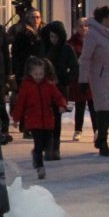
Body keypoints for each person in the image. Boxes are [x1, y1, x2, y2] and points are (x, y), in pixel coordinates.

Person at [11, 56, 69, 181]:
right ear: (31, 73)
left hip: (47, 120)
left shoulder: (49, 85)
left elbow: (58, 97)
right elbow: (20, 103)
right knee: (38, 144)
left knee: (47, 143)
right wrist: (16, 118)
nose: (38, 76)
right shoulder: (27, 86)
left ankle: (37, 155)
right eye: (36, 74)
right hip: (33, 120)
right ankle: (39, 166)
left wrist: (62, 105)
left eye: (41, 74)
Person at [40, 20, 78, 161]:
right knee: (46, 117)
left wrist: (65, 79)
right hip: (45, 87)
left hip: (60, 87)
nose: (54, 39)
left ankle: (55, 147)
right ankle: (47, 146)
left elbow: (74, 68)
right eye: (51, 37)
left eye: (56, 36)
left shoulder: (67, 49)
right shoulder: (45, 48)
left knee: (56, 118)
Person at [83, 6, 109, 156]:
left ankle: (101, 138)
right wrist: (83, 80)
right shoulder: (92, 35)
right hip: (99, 77)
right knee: (105, 110)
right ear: (104, 19)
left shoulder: (108, 33)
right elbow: (85, 58)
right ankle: (102, 140)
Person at [68, 16, 91, 141]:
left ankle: (97, 130)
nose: (83, 28)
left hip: (92, 76)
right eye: (81, 26)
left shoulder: (93, 40)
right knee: (80, 104)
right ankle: (78, 129)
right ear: (76, 28)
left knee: (93, 105)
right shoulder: (72, 42)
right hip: (79, 76)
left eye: (86, 25)